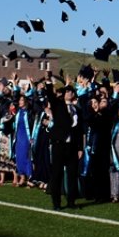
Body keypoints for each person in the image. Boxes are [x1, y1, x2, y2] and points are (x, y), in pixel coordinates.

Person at [44, 79, 81, 210]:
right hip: (59, 145)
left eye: (72, 91)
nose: (70, 93)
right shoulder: (58, 105)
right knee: (57, 174)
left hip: (72, 146)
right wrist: (48, 82)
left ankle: (71, 201)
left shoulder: (77, 110)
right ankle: (56, 203)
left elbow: (79, 130)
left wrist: (80, 148)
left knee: (72, 175)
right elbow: (50, 96)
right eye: (68, 91)